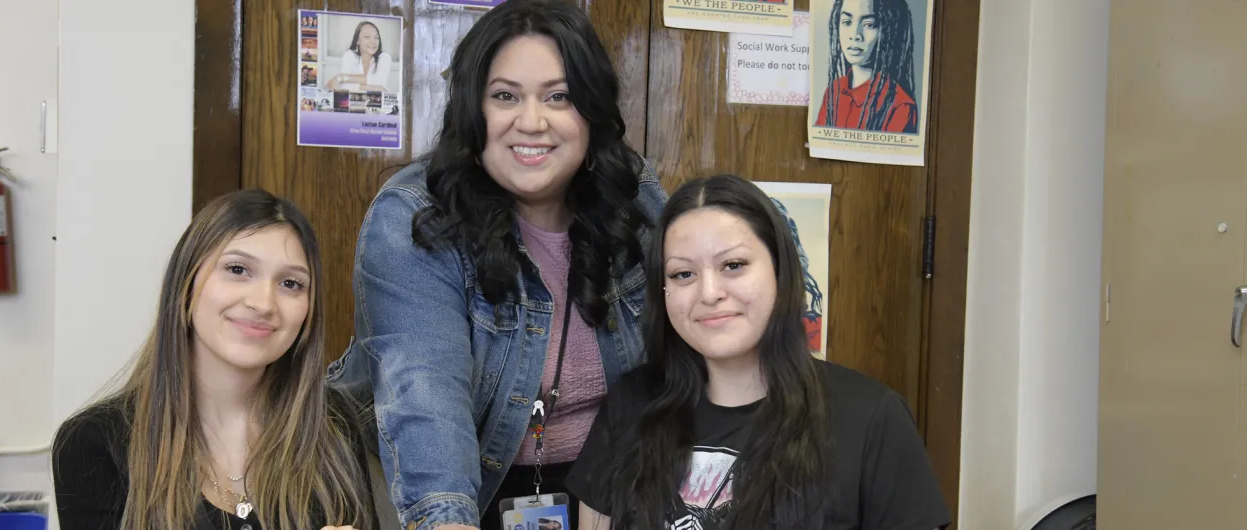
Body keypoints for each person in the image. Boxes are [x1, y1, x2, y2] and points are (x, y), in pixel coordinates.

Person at [324, 1, 666, 529]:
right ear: (473, 111)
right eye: (505, 96)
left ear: (592, 111)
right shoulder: (414, 217)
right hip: (452, 494)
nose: (531, 122)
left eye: (559, 96)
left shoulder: (633, 196)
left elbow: (688, 357)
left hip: (607, 494)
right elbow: (426, 403)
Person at [566, 175, 952, 530]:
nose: (709, 292)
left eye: (733, 265)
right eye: (683, 274)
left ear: (781, 273)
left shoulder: (871, 417)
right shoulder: (630, 403)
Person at [51, 189, 377, 530]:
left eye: (290, 283)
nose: (263, 303)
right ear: (186, 282)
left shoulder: (333, 425)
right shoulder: (94, 443)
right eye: (238, 269)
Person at [814, 0, 920, 133]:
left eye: (869, 25)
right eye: (847, 22)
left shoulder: (900, 105)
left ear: (889, 31)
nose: (855, 35)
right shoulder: (834, 91)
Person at [327, 20, 391, 92]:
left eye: (376, 37)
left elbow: (380, 82)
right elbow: (346, 86)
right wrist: (376, 88)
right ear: (357, 40)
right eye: (367, 37)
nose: (373, 41)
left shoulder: (384, 57)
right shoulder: (349, 55)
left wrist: (340, 77)